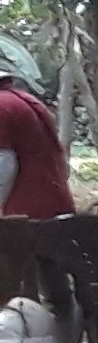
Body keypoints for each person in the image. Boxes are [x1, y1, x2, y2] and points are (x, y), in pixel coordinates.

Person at [0, 37, 67, 220]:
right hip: (53, 203)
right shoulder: (24, 100)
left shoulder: (3, 104)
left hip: (23, 214)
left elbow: (4, 162)